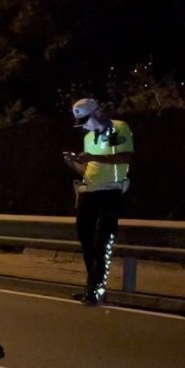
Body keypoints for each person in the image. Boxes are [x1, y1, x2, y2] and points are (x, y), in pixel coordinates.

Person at [63, 98, 134, 305]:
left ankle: (97, 289)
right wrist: (74, 163)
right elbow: (88, 170)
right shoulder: (88, 138)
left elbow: (126, 157)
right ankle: (92, 286)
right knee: (86, 241)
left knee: (102, 241)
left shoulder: (119, 128)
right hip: (88, 192)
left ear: (98, 112)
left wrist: (93, 157)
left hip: (110, 192)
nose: (84, 125)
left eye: (85, 120)